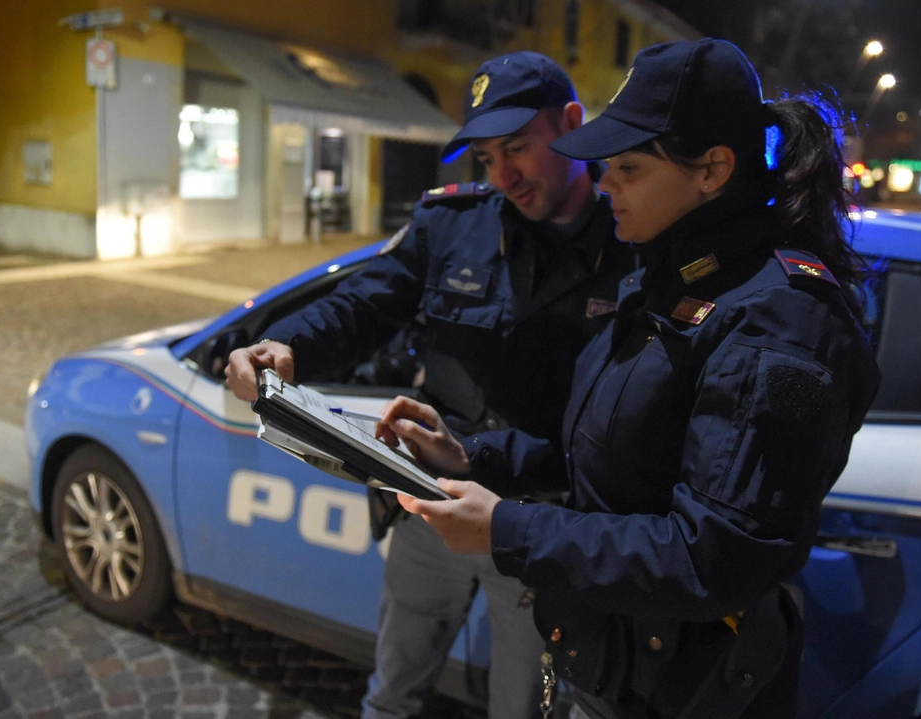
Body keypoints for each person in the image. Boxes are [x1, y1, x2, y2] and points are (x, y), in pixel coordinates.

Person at [379, 38, 882, 719]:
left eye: (628, 166)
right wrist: (475, 457)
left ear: (712, 170)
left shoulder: (777, 321)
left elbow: (712, 555)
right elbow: (610, 453)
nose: (604, 181)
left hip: (682, 690)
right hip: (615, 665)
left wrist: (510, 528)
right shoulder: (668, 275)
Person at [224, 52, 638, 719]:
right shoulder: (453, 223)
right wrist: (289, 344)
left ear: (569, 123)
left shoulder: (631, 239)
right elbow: (365, 301)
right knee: (391, 694)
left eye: (517, 149)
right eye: (484, 158)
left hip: (539, 525)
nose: (502, 176)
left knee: (524, 710)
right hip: (428, 503)